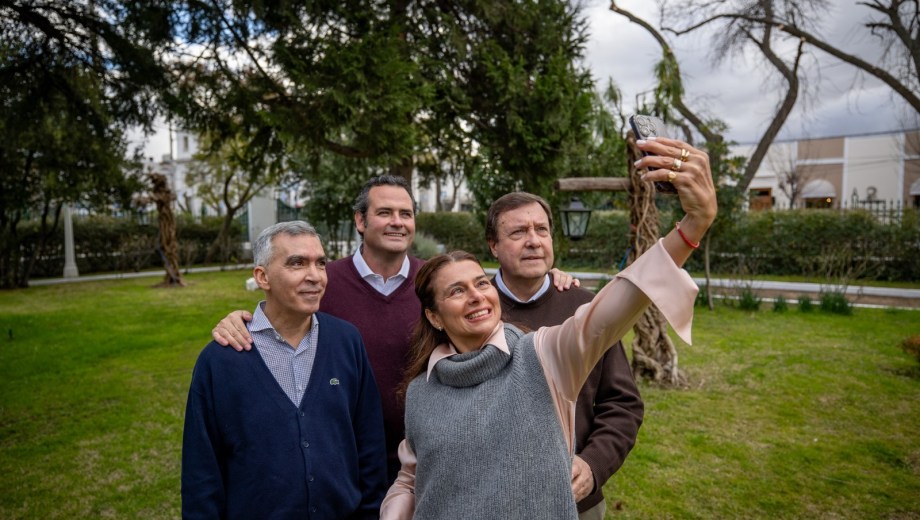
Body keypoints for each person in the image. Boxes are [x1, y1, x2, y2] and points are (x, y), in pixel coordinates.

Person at [380, 136, 716, 519]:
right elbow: (412, 477)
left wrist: (692, 226)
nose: (475, 296)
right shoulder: (423, 391)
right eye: (457, 291)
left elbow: (622, 299)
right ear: (434, 316)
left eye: (480, 284)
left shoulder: (542, 355)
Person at [211, 175, 577, 482]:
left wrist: (549, 279)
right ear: (360, 221)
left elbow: (483, 308)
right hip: (345, 458)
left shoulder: (435, 283)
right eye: (384, 213)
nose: (397, 222)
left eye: (406, 214)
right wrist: (240, 320)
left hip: (434, 457)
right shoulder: (323, 282)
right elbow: (283, 316)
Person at [182, 221, 387, 519]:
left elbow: (369, 443)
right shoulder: (220, 361)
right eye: (297, 263)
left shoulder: (346, 341)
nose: (314, 276)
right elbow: (201, 471)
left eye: (320, 263)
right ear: (262, 276)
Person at [485, 192, 643, 520]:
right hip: (490, 500)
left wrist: (593, 464)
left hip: (573, 502)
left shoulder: (586, 309)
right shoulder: (472, 310)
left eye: (541, 230)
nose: (533, 241)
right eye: (518, 232)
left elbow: (622, 404)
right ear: (493, 246)